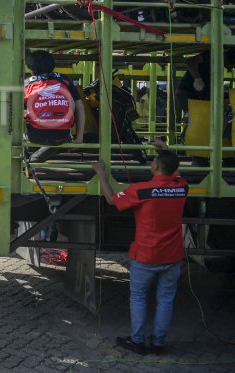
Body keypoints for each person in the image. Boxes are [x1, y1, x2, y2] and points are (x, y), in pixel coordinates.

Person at [92, 145, 187, 355]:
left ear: (155, 166)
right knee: (165, 299)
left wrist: (101, 173)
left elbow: (111, 200)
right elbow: (174, 170)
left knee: (138, 297)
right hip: (172, 255)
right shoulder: (181, 186)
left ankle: (137, 341)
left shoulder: (141, 190)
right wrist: (167, 150)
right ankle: (158, 344)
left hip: (146, 255)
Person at [23, 50, 85, 163]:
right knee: (56, 138)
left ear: (32, 68)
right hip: (62, 135)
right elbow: (80, 107)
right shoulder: (64, 80)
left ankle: (27, 160)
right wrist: (79, 137)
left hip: (35, 135)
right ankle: (33, 160)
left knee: (18, 133)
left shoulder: (27, 83)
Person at [175, 48, 235, 124]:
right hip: (187, 93)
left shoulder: (219, 63)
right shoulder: (213, 55)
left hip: (199, 95)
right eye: (232, 65)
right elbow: (189, 61)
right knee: (200, 121)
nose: (231, 68)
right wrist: (197, 78)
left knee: (203, 121)